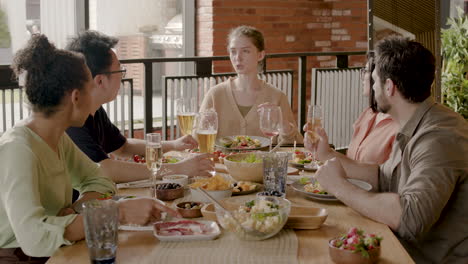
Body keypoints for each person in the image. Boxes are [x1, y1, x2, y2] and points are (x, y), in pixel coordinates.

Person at [0, 35, 179, 262]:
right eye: (89, 87)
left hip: (58, 248)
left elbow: (100, 181)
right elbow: (33, 238)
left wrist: (76, 211)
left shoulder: (58, 138)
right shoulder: (18, 149)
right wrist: (118, 213)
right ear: (76, 97)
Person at [306, 36, 468, 263]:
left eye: (374, 80)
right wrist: (328, 155)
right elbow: (384, 177)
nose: (372, 87)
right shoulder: (416, 123)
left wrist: (339, 187)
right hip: (402, 248)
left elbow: (411, 220)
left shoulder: (439, 137)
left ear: (389, 87)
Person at [65, 31, 214, 184]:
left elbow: (123, 147)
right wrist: (179, 169)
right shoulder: (71, 120)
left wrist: (173, 144)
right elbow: (104, 169)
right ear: (100, 81)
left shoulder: (94, 110)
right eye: (120, 70)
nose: (122, 77)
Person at [199, 25, 303, 144]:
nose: (238, 57)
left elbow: (297, 145)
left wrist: (282, 123)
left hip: (264, 163)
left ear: (260, 55)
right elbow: (197, 143)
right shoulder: (215, 95)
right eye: (233, 51)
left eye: (245, 51)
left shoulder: (277, 97)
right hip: (221, 162)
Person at [310, 53, 399, 165]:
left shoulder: (399, 127)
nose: (362, 76)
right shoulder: (369, 114)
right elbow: (352, 162)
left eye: (365, 71)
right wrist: (323, 151)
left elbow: (388, 179)